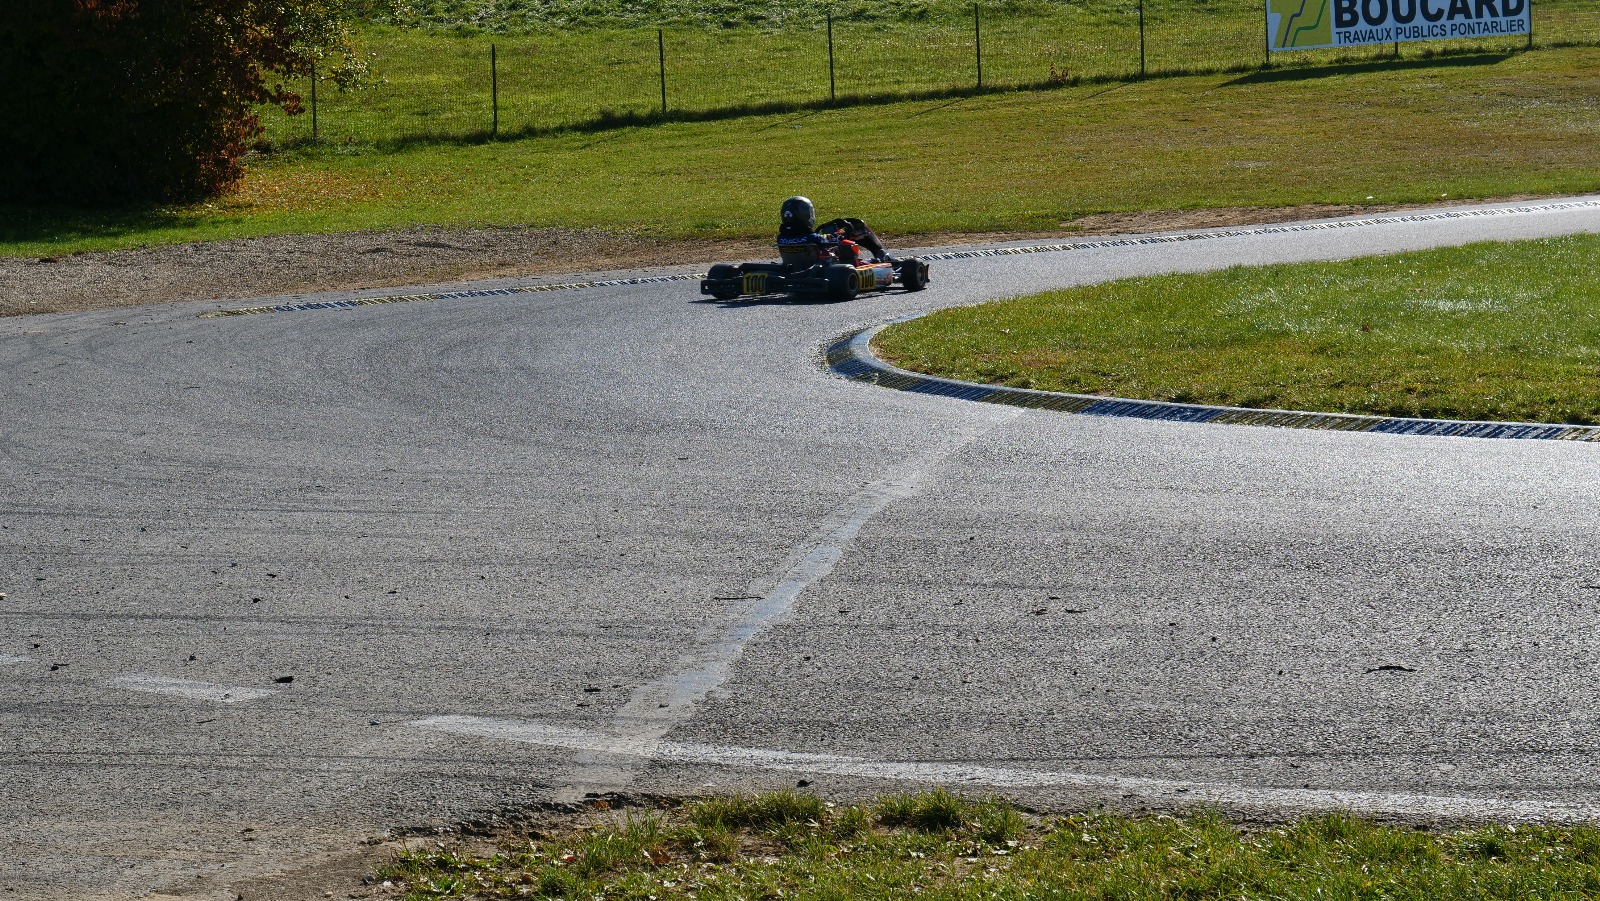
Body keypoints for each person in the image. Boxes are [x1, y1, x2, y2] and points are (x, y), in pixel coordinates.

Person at [776, 196, 894, 267]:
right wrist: (845, 231)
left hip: (792, 268)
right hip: (822, 269)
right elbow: (832, 239)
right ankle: (883, 258)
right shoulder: (812, 238)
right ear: (806, 215)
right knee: (852, 240)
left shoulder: (781, 237)